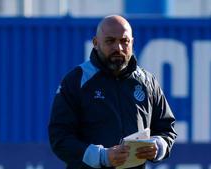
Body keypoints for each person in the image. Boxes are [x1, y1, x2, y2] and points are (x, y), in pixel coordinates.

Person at [48, 15, 177, 169]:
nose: (119, 48)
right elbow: (60, 138)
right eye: (110, 41)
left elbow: (167, 129)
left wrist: (158, 146)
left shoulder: (147, 82)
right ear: (96, 43)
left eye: (124, 41)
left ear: (132, 42)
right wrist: (102, 156)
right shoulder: (76, 80)